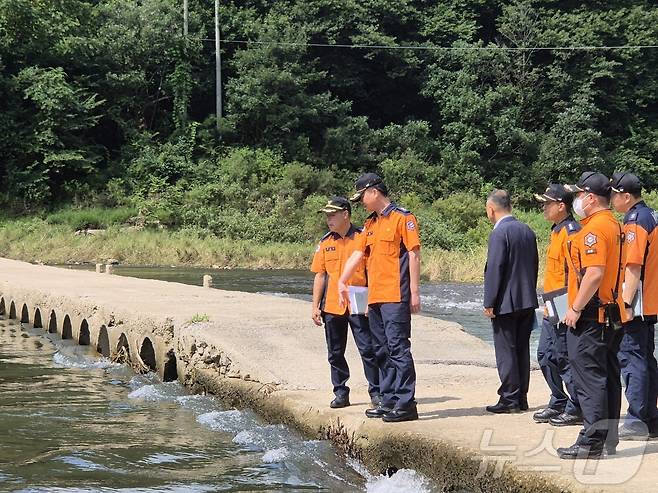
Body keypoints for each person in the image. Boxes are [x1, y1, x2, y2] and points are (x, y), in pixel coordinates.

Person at [337, 173, 421, 423]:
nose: (361, 201)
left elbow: (414, 255)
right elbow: (357, 254)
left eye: (362, 196)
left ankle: (406, 403)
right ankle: (389, 399)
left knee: (398, 348)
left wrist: (415, 292)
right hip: (374, 297)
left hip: (396, 295)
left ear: (374, 192)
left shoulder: (403, 219)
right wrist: (343, 280)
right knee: (381, 350)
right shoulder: (371, 224)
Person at [557, 171, 626, 460]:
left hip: (591, 315)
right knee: (608, 377)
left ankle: (591, 441)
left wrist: (574, 308)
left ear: (590, 197)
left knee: (589, 378)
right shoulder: (614, 224)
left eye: (578, 194)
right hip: (610, 313)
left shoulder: (595, 229)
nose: (575, 200)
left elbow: (594, 273)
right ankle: (607, 438)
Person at [310, 196, 381, 409]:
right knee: (335, 352)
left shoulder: (362, 238)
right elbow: (320, 275)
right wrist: (315, 306)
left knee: (368, 349)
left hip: (359, 304)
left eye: (333, 215)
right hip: (332, 305)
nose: (329, 220)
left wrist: (372, 302)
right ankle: (340, 392)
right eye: (327, 216)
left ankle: (376, 392)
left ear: (346, 214)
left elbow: (372, 272)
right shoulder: (325, 242)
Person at [610, 172, 658, 440]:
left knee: (632, 359)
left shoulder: (634, 221)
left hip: (637, 302)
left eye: (615, 194)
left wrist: (625, 302)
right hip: (651, 300)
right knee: (646, 358)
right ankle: (651, 419)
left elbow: (633, 265)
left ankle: (637, 420)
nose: (612, 199)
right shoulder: (652, 215)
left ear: (626, 196)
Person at [483, 189, 539, 414]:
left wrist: (489, 301)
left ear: (491, 209)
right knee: (522, 349)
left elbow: (495, 269)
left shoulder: (499, 233)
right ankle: (521, 397)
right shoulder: (527, 230)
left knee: (506, 350)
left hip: (505, 302)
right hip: (526, 299)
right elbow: (534, 264)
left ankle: (509, 398)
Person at [533, 185, 583, 427]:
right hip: (550, 304)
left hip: (564, 302)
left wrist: (573, 308)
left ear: (561, 205)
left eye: (547, 203)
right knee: (545, 355)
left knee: (564, 356)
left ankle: (576, 407)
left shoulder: (572, 232)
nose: (544, 207)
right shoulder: (556, 231)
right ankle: (559, 399)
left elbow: (577, 273)